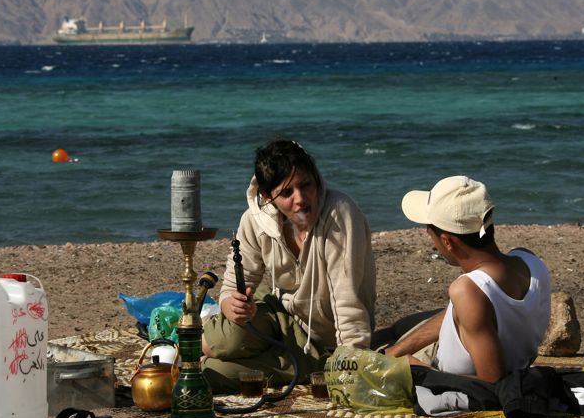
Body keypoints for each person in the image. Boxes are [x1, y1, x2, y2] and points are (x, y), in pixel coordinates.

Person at [201, 139, 377, 393]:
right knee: (223, 341)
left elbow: (348, 303)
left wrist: (352, 361)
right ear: (267, 197)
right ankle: (199, 342)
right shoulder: (254, 221)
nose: (301, 199)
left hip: (318, 344)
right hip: (279, 315)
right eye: (287, 193)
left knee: (212, 374)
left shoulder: (339, 214)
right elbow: (232, 286)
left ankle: (221, 351)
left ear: (316, 178)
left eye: (306, 185)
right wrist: (232, 306)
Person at [383, 175, 551, 383]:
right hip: (518, 362)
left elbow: (492, 383)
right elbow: (469, 315)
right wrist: (397, 351)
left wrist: (418, 369)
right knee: (398, 331)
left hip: (450, 382)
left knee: (368, 352)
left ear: (447, 241)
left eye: (429, 231)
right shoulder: (530, 262)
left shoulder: (468, 290)